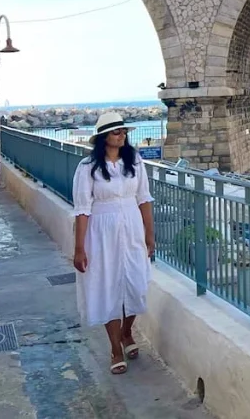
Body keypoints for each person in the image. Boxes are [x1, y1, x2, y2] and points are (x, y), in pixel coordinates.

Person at [72, 112, 155, 375]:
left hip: (131, 227)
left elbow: (144, 199)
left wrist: (149, 234)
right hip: (102, 230)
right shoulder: (88, 168)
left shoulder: (135, 162)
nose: (122, 136)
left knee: (136, 284)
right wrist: (79, 247)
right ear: (103, 138)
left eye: (123, 132)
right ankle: (115, 348)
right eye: (117, 132)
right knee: (107, 286)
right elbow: (83, 208)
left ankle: (127, 331)